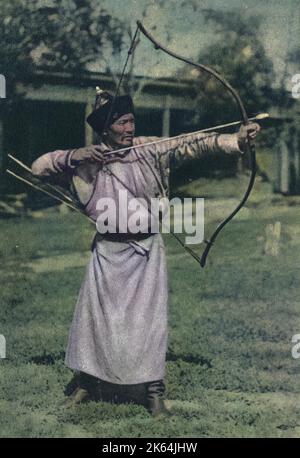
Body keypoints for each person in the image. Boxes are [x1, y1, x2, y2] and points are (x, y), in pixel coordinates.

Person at [31, 89, 260, 416]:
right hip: (107, 253)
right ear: (105, 129)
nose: (129, 128)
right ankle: (86, 384)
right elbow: (37, 168)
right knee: (95, 321)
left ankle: (153, 392)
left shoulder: (148, 149)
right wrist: (75, 156)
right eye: (121, 123)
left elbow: (193, 143)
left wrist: (236, 139)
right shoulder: (86, 162)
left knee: (148, 323)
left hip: (147, 251)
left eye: (131, 121)